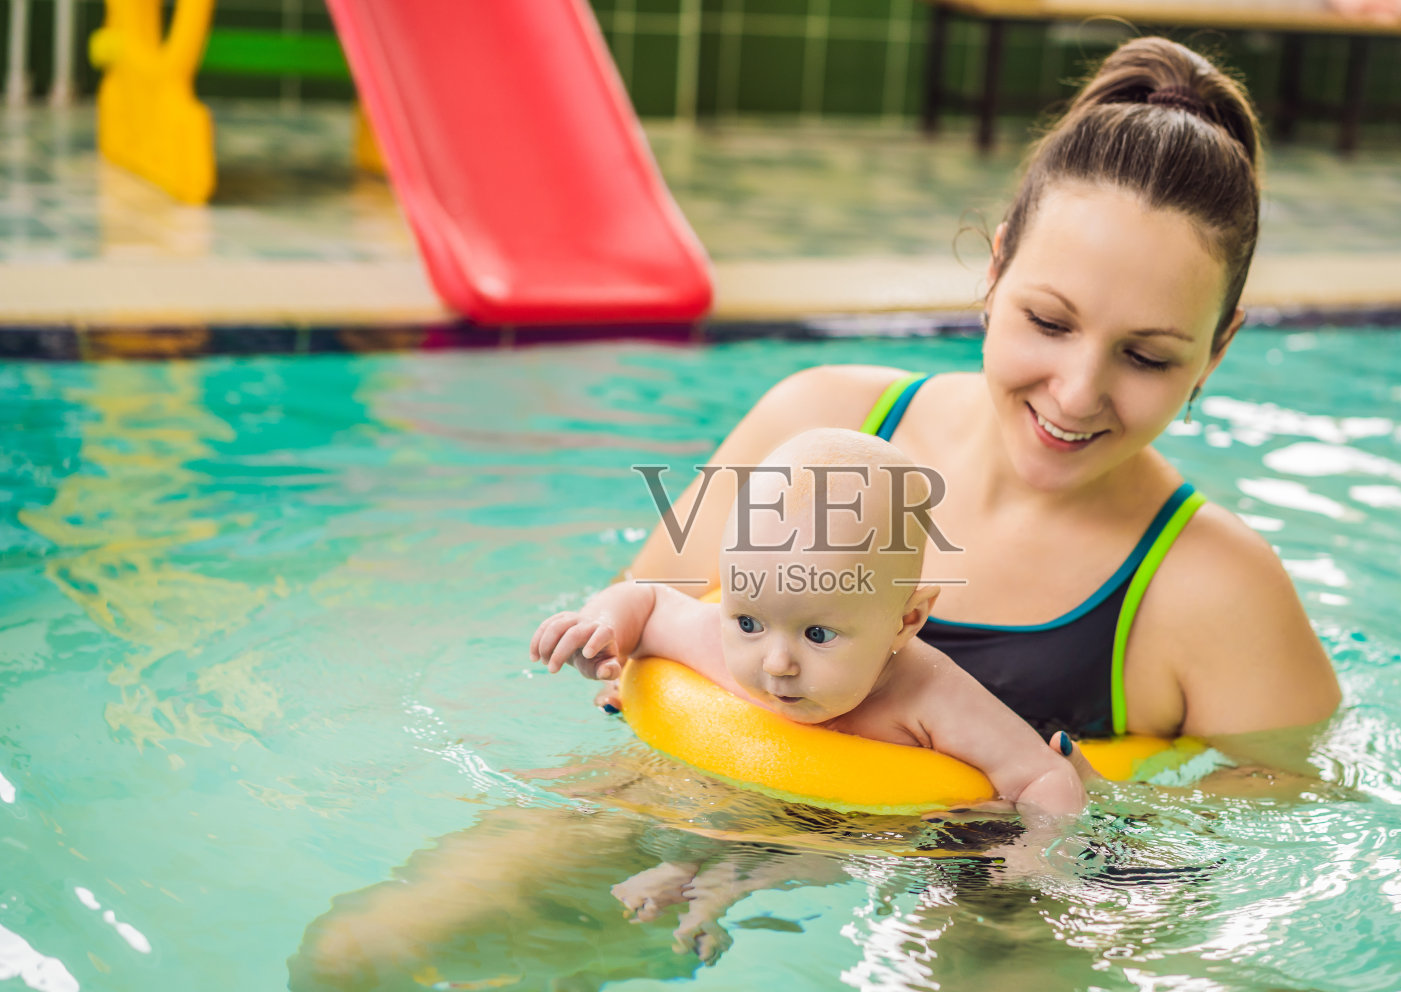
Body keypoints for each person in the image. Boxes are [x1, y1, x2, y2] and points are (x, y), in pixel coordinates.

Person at [618, 37, 1342, 784]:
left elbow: (1291, 806)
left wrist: (1115, 821)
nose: (1076, 392)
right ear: (996, 271)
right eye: (1051, 323)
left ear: (1217, 351)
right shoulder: (812, 426)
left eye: (1147, 356)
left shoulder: (1217, 589)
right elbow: (628, 664)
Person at [534, 428, 1094, 908]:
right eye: (748, 622)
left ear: (908, 619)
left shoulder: (930, 695)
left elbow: (1044, 775)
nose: (776, 663)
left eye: (818, 634)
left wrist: (1036, 863)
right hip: (715, 797)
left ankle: (705, 874)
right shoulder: (712, 638)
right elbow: (648, 600)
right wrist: (600, 629)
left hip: (859, 843)